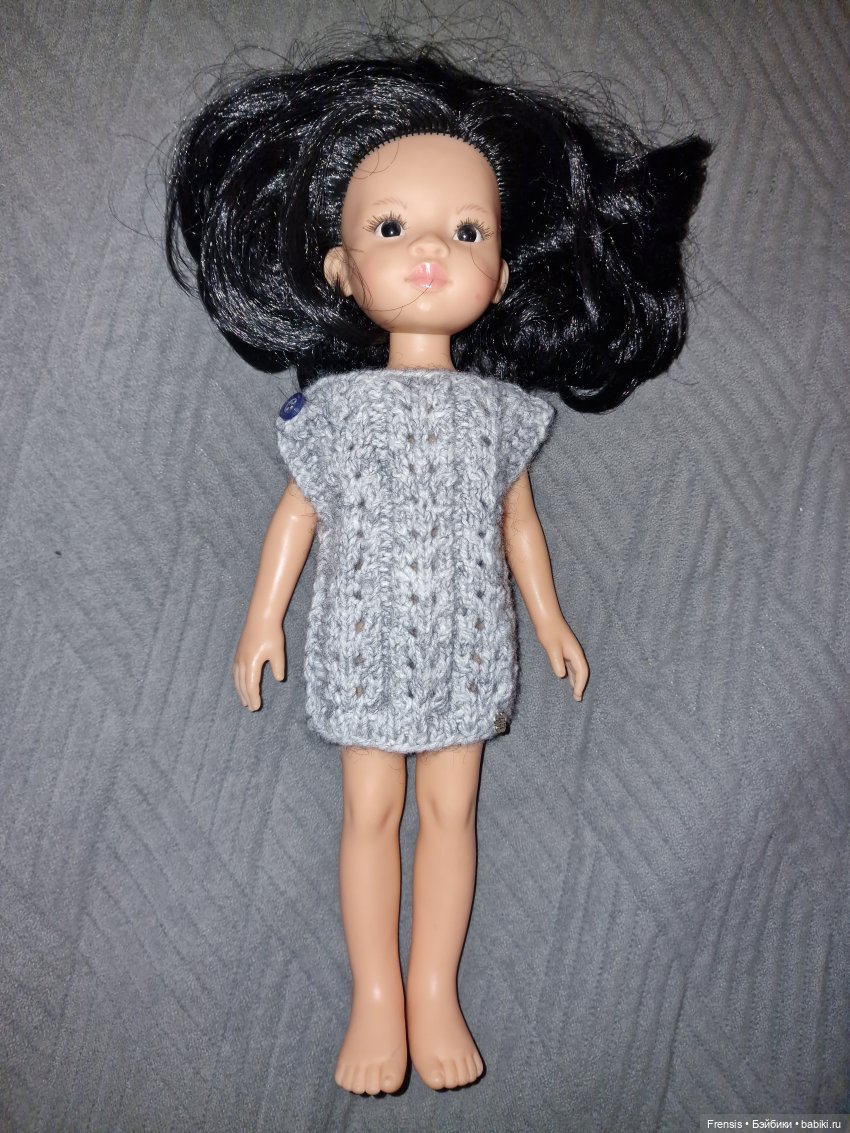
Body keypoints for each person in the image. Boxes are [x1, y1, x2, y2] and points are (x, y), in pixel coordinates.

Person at [165, 48, 709, 1094]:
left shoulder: (501, 414)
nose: (428, 251)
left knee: (453, 815)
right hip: (360, 643)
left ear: (497, 276)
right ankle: (376, 996)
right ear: (341, 270)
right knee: (370, 815)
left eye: (465, 232)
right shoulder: (335, 410)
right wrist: (261, 618)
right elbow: (299, 509)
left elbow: (520, 525)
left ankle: (432, 988)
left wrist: (550, 620)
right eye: (390, 228)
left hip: (467, 646)